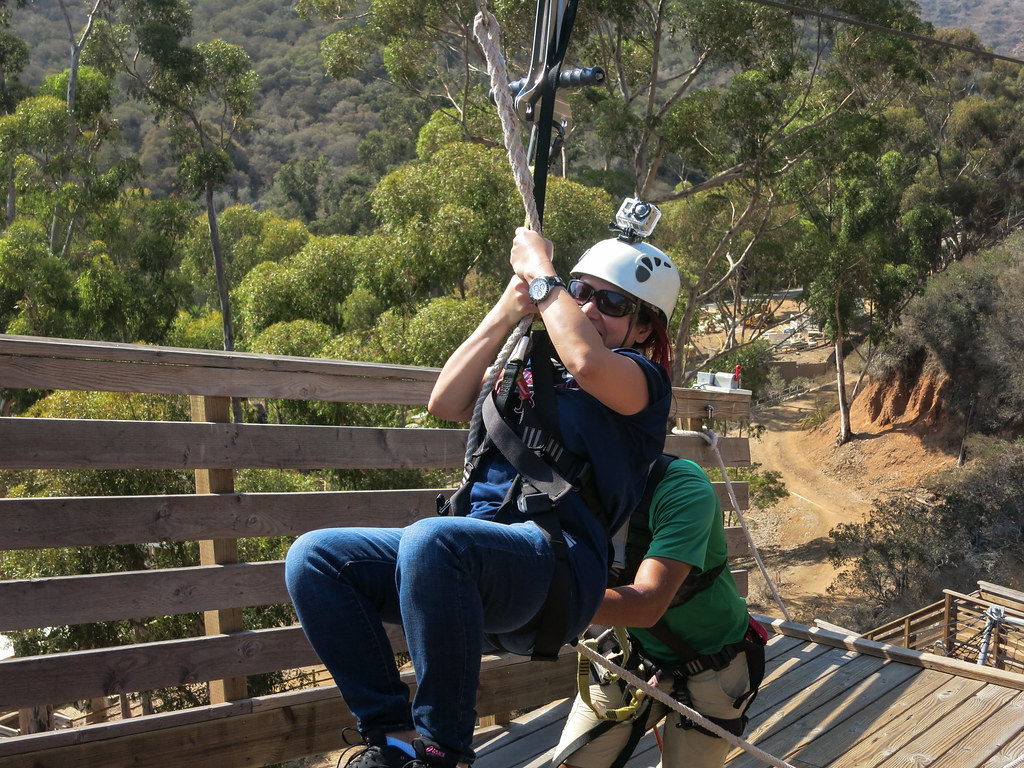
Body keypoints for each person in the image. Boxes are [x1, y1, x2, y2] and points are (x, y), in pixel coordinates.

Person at [285, 221, 682, 768]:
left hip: (556, 561)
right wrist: (508, 307)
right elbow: (446, 402)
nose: (588, 306)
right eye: (582, 289)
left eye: (611, 302)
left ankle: (442, 751)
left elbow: (588, 362)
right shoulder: (533, 360)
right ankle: (393, 738)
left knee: (432, 541)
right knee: (316, 559)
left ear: (642, 328)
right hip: (476, 553)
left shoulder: (642, 383)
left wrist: (546, 278)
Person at [550, 457, 767, 768]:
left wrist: (544, 604)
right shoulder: (563, 488)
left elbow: (647, 602)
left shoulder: (682, 487)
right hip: (632, 654)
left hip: (716, 662)